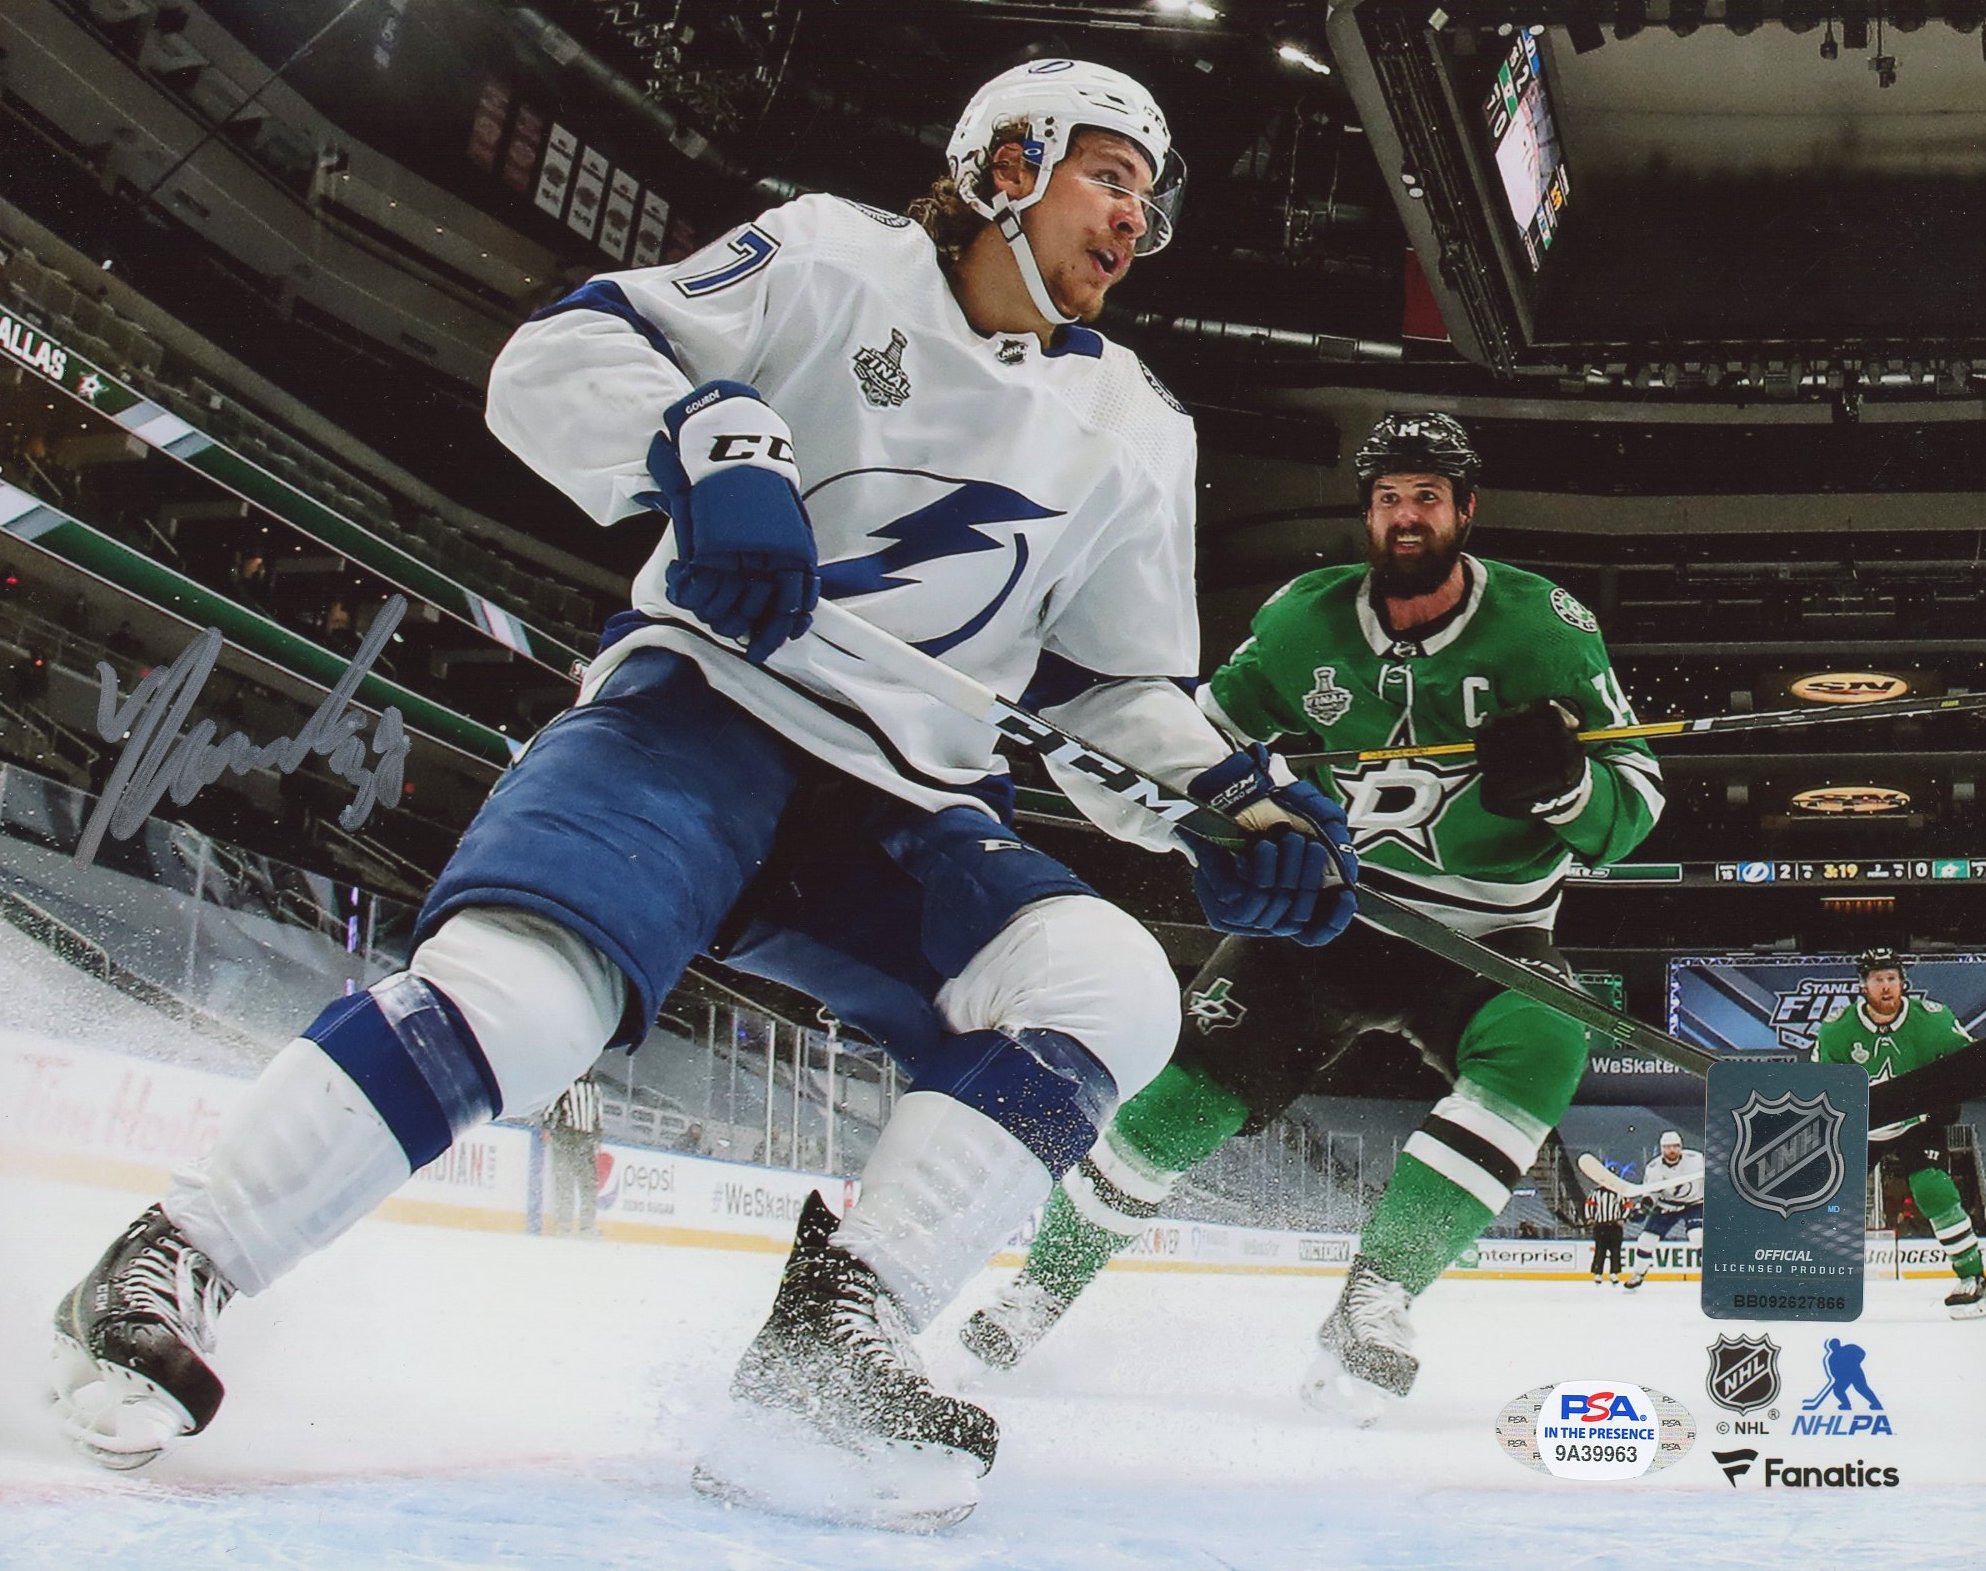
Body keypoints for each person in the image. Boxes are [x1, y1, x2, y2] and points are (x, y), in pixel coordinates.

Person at [47, 58, 1358, 1527]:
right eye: (1109, 176)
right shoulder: (828, 256)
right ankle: (179, 1251)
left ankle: (832, 1345)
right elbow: (560, 355)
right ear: (1008, 161)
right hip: (700, 715)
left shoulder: (1137, 426)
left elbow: (1107, 690)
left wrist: (1226, 801)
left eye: (1147, 199)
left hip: (906, 803)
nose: (1135, 218)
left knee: (1111, 982)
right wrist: (706, 441)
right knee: (527, 999)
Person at [958, 411, 1666, 1424]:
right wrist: (1219, 828)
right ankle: (1037, 1291)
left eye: (1428, 496)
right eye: (1389, 498)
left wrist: (1567, 790)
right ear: (1367, 515)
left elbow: (1635, 803)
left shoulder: (1547, 627)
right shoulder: (1302, 621)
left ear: (1466, 510)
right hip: (1337, 912)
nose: (1407, 515)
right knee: (1180, 1101)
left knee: (1547, 1042)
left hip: (1487, 931)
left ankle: (1377, 1296)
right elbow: (1193, 742)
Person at [1814, 947, 1985, 1318]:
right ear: (1863, 986)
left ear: (1903, 982)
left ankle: (1972, 1275)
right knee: (1825, 1195)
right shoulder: (1837, 1031)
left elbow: (1971, 1066)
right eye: (1877, 979)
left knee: (1932, 1189)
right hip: (1861, 1125)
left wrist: (1947, 1098)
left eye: (1892, 978)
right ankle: (1811, 1273)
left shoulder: (1933, 1021)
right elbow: (1820, 1085)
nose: (1886, 986)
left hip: (1915, 1123)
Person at [1618, 1130, 1703, 1288]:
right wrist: (1645, 1207)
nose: (1672, 1150)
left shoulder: (1696, 1159)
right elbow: (1651, 1193)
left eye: (1675, 1146)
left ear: (1681, 1147)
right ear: (1662, 1148)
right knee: (1646, 1240)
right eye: (1668, 1147)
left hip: (1694, 1203)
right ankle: (1638, 1274)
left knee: (1697, 1235)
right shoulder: (1654, 1168)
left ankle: (1710, 1271)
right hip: (1666, 1206)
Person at [542, 1069, 605, 1237]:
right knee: (564, 1182)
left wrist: (597, 1137)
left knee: (588, 1185)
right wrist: (547, 1126)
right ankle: (564, 1225)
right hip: (566, 1136)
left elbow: (598, 1115)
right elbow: (551, 1106)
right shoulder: (566, 1084)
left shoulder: (595, 1088)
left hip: (586, 1140)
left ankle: (587, 1227)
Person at [1585, 1176, 1628, 1285]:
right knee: (1600, 1250)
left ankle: (1614, 1273)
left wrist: (1623, 1218)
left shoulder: (1619, 1192)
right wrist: (1590, 1218)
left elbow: (1627, 1205)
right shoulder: (1596, 1192)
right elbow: (1589, 1204)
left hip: (1615, 1226)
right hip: (1601, 1226)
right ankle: (1598, 1273)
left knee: (1615, 1250)